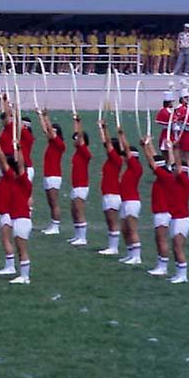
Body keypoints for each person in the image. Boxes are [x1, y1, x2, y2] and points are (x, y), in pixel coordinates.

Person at [143, 134, 189, 283]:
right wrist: (170, 148)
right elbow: (172, 163)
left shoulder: (183, 181)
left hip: (180, 219)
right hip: (176, 218)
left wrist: (175, 149)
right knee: (176, 247)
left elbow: (171, 164)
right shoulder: (176, 179)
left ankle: (182, 275)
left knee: (177, 248)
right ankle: (178, 274)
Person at [0, 136, 32, 285]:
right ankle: (22, 275)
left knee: (22, 249)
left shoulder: (24, 182)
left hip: (22, 219)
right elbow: (3, 161)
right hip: (18, 218)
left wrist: (19, 149)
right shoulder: (16, 182)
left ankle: (25, 276)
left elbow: (18, 164)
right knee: (19, 248)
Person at [116, 126, 144, 266]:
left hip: (132, 202)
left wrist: (122, 135)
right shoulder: (129, 168)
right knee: (124, 229)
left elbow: (126, 149)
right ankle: (129, 253)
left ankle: (136, 256)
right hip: (125, 201)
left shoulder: (136, 167)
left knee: (132, 229)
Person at [97, 119, 124, 256]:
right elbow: (105, 143)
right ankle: (111, 246)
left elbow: (107, 144)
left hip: (112, 194)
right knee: (110, 221)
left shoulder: (116, 159)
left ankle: (114, 247)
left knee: (112, 221)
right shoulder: (114, 159)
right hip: (108, 193)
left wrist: (105, 128)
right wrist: (101, 129)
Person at [37, 109, 66, 235]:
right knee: (51, 202)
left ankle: (56, 226)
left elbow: (49, 131)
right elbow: (46, 130)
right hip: (49, 175)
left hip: (54, 176)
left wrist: (46, 117)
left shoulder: (59, 144)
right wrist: (40, 116)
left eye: (53, 131)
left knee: (54, 202)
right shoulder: (52, 142)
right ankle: (52, 224)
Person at [68, 113, 91, 246]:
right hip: (75, 185)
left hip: (81, 186)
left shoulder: (84, 151)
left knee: (79, 210)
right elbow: (77, 135)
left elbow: (80, 136)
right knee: (74, 211)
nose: (74, 140)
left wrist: (79, 123)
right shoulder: (78, 151)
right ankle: (77, 235)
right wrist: (75, 123)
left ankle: (82, 237)